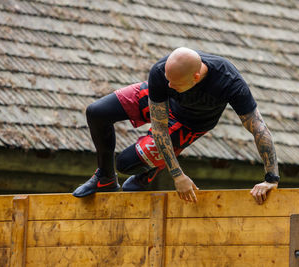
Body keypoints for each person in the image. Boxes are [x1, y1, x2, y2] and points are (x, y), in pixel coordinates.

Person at [72, 47, 280, 205]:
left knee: (126, 163)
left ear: (196, 77)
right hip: (161, 105)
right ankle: (105, 177)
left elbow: (258, 128)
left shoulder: (230, 83)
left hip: (189, 123)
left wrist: (271, 178)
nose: (169, 85)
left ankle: (150, 171)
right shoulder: (162, 73)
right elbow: (159, 127)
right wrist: (178, 175)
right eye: (167, 80)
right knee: (97, 112)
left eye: (174, 84)